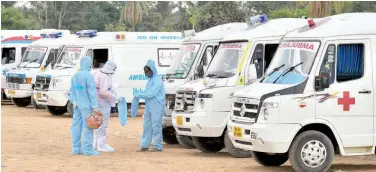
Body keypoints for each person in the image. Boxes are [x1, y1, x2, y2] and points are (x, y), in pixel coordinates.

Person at [69, 56, 100, 156]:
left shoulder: (75, 76)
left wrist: (73, 101)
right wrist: (95, 106)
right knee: (88, 126)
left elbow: (71, 92)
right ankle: (88, 149)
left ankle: (76, 148)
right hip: (87, 105)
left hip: (76, 105)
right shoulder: (89, 76)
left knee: (76, 126)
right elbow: (92, 92)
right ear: (88, 64)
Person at [135, 59, 165, 152]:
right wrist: (140, 93)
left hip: (157, 105)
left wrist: (141, 95)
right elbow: (147, 91)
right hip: (149, 105)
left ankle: (158, 146)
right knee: (147, 125)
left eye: (148, 72)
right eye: (145, 72)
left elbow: (152, 93)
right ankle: (145, 145)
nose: (146, 74)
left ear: (152, 70)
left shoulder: (157, 80)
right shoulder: (150, 80)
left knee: (156, 125)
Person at [93, 60, 118, 152]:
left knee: (97, 123)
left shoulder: (98, 72)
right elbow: (103, 92)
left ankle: (95, 144)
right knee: (103, 124)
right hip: (103, 102)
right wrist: (114, 97)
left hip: (97, 102)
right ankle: (102, 145)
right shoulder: (104, 76)